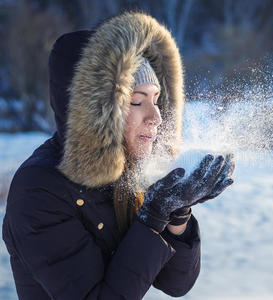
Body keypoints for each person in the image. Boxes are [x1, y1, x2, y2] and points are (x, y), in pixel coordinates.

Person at [2, 12, 234, 299]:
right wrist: (152, 215)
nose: (157, 117)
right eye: (136, 101)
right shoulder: (40, 188)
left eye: (156, 99)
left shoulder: (129, 172)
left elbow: (176, 284)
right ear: (96, 113)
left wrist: (177, 212)